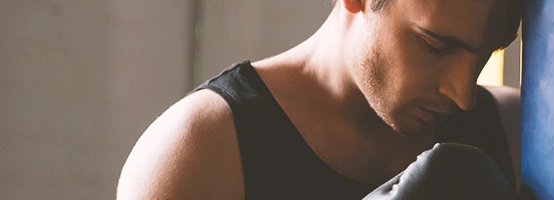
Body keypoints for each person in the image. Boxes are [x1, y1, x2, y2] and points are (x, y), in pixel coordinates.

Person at [116, 0, 522, 199]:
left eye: (488, 53)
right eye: (435, 46)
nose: (463, 94)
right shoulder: (202, 153)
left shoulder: (515, 132)